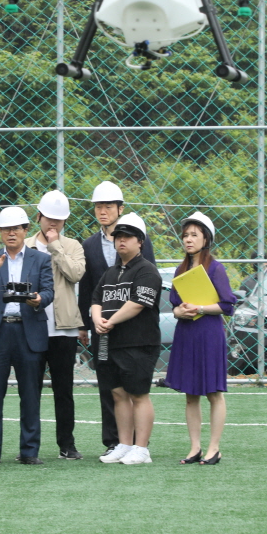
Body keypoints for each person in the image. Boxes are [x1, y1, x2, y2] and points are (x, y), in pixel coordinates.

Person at [78, 181, 156, 456]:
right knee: (111, 388)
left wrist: (117, 318)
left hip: (134, 330)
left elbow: (147, 286)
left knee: (136, 389)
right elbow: (89, 290)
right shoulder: (89, 244)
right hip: (103, 330)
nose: (103, 211)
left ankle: (139, 444)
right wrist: (86, 323)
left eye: (108, 206)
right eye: (98, 206)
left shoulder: (140, 242)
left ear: (120, 208)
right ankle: (116, 442)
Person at [0, 206, 55, 466]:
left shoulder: (40, 259)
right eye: (6, 229)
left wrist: (39, 299)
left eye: (16, 228)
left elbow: (49, 291)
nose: (11, 233)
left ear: (25, 230)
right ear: (0, 231)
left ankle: (29, 451)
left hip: (28, 330)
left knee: (30, 395)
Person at [91, 213, 163, 465]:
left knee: (138, 394)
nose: (121, 240)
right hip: (110, 343)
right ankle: (124, 444)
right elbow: (96, 300)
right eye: (118, 236)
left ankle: (141, 448)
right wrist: (97, 319)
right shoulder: (110, 273)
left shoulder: (147, 270)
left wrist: (110, 321)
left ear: (140, 241)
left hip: (138, 342)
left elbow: (138, 303)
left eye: (128, 237)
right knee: (118, 393)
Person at [165, 212, 236, 465]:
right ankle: (194, 447)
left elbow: (227, 305)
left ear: (206, 239)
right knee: (190, 394)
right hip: (187, 333)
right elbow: (174, 304)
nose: (188, 239)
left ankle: (214, 448)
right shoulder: (181, 269)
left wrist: (201, 308)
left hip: (209, 333)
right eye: (185, 235)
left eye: (194, 235)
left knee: (213, 392)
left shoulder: (215, 268)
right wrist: (179, 312)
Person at [25, 190, 87, 460]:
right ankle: (29, 446)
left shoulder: (72, 245)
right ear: (38, 216)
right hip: (32, 326)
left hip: (64, 328)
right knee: (31, 390)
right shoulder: (25, 245)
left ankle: (67, 444)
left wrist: (55, 246)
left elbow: (75, 273)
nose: (53, 223)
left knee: (64, 390)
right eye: (49, 217)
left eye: (59, 220)